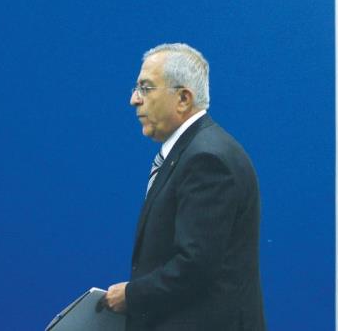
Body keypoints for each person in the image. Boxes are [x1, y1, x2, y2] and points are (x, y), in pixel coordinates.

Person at [101, 44, 266, 331]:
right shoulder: (192, 151)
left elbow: (195, 267)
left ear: (183, 98)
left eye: (146, 88)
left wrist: (130, 295)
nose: (133, 99)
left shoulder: (207, 159)